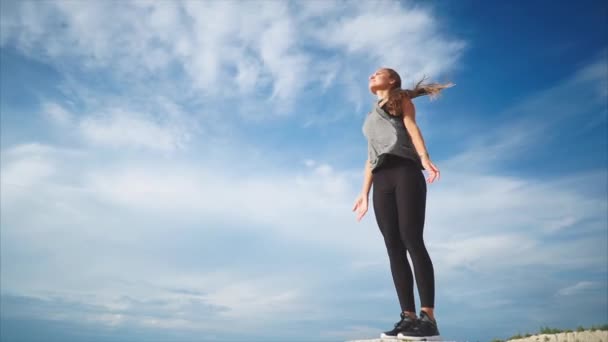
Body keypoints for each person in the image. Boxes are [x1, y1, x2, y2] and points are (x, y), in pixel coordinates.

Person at [353, 67, 453, 340]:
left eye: (378, 73)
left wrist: (425, 158)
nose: (372, 75)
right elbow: (370, 157)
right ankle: (407, 317)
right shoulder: (371, 117)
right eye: (370, 73)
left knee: (412, 239)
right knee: (393, 247)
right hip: (381, 179)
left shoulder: (401, 101)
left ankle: (428, 318)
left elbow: (412, 128)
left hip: (406, 172)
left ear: (392, 80)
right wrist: (363, 193)